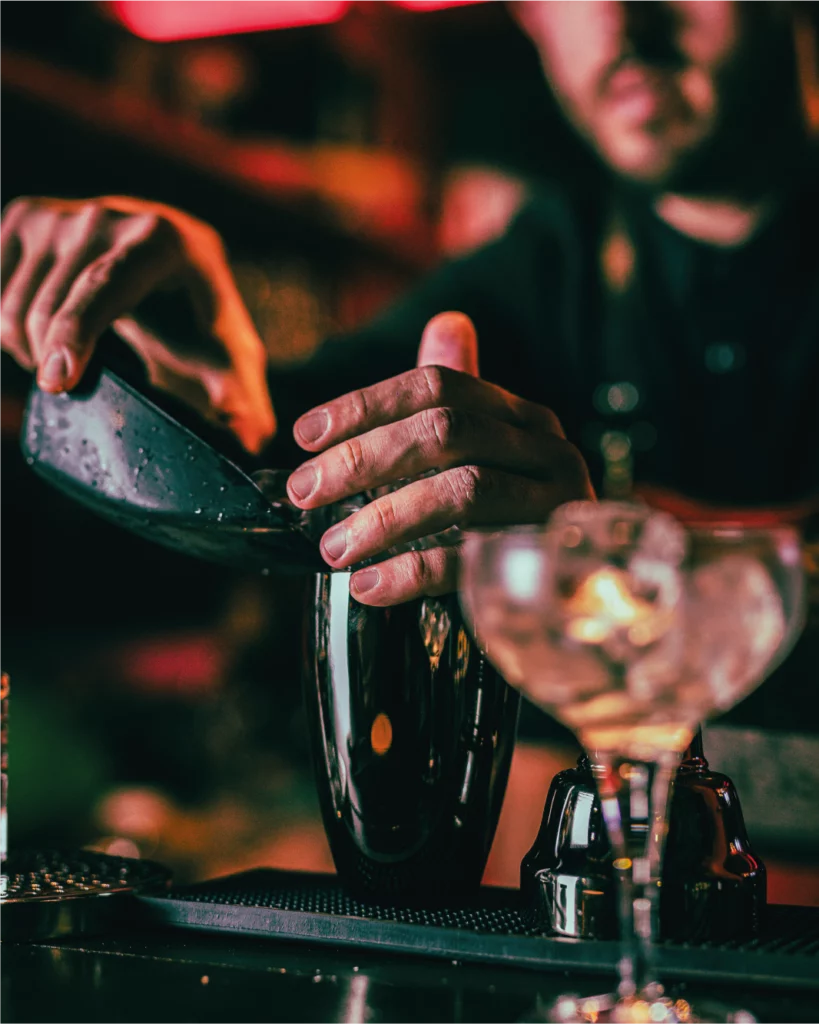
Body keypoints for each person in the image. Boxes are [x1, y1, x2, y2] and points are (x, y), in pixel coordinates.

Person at [0, 0, 818, 618]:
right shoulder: (545, 266)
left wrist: (589, 565)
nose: (620, 25)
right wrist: (197, 378)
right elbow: (294, 444)